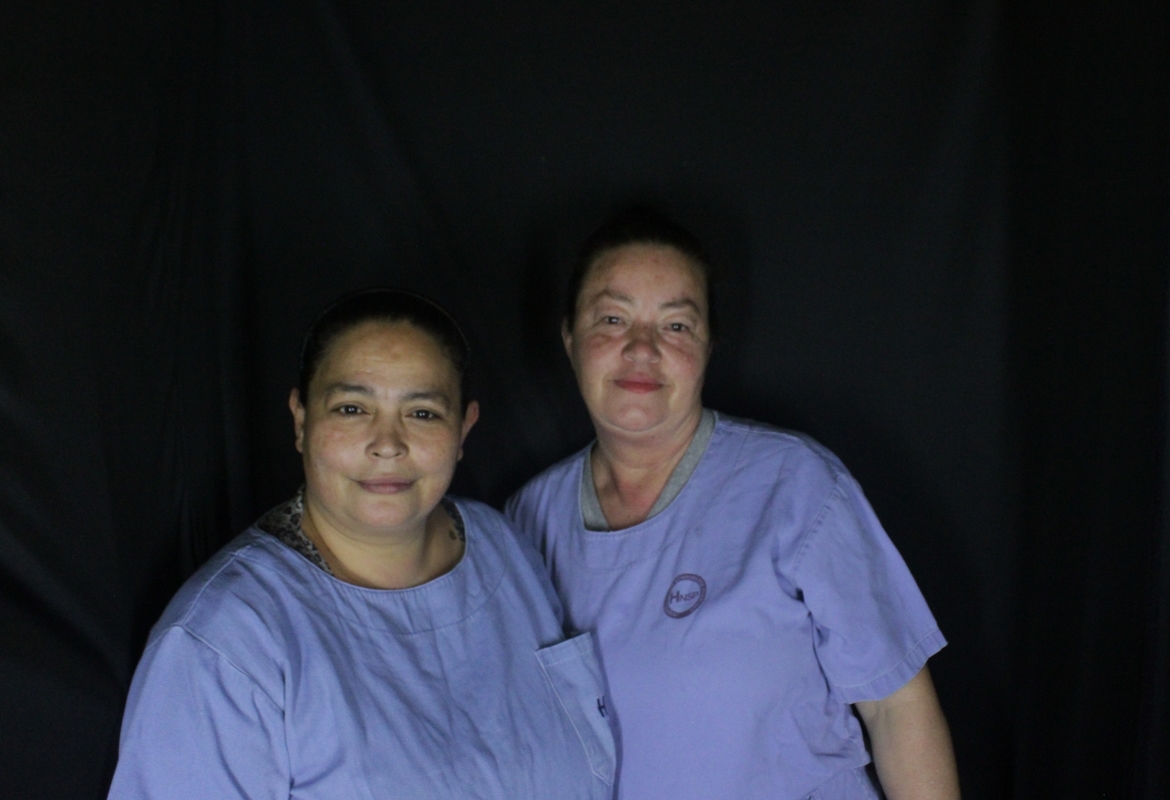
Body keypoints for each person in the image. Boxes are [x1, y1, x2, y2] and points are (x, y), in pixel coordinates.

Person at [506, 211, 960, 800]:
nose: (641, 348)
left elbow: (897, 707)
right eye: (612, 319)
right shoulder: (525, 524)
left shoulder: (794, 484)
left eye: (676, 325)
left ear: (707, 347)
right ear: (569, 338)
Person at [107, 289, 614, 800]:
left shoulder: (504, 549)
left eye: (422, 413)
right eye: (352, 408)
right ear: (301, 420)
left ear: (464, 429)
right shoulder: (225, 643)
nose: (387, 444)